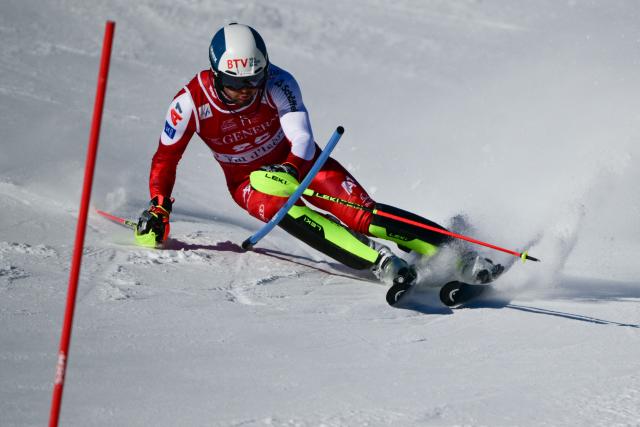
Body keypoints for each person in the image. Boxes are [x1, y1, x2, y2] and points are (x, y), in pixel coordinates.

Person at [136, 23, 503, 305]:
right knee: (283, 208)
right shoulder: (188, 104)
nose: (247, 90)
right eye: (236, 84)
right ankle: (380, 261)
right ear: (216, 75)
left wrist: (293, 169)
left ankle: (459, 254)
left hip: (298, 162)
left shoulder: (279, 82)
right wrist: (158, 208)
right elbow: (166, 158)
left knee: (363, 215)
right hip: (248, 182)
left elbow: (301, 136)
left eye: (254, 80)